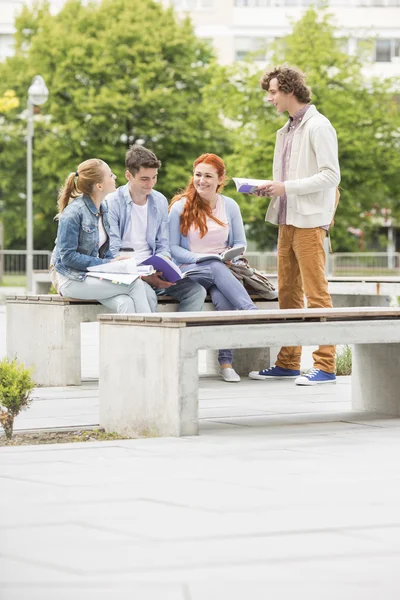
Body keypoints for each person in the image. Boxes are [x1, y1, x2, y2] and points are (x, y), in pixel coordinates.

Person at [249, 66, 340, 386]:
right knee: (287, 293)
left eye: (273, 92)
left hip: (310, 222)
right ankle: (288, 362)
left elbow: (332, 176)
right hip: (286, 219)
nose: (270, 98)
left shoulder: (319, 126)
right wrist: (272, 188)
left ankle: (326, 366)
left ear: (289, 90)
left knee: (317, 294)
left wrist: (287, 188)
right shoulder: (284, 131)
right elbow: (289, 179)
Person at [169, 153, 257, 383]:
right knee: (214, 264)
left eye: (208, 176)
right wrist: (203, 257)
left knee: (224, 300)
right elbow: (172, 249)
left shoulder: (230, 205)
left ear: (220, 179)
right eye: (198, 175)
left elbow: (240, 243)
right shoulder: (180, 208)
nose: (202, 180)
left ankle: (226, 363)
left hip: (222, 271)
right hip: (190, 270)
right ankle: (252, 314)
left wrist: (229, 255)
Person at [106, 145, 206, 313]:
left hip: (154, 271)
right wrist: (144, 275)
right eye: (145, 178)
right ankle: (154, 338)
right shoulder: (112, 202)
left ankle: (180, 336)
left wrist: (162, 267)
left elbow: (163, 244)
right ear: (128, 176)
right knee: (148, 296)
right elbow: (113, 251)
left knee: (196, 291)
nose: (151, 183)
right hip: (129, 274)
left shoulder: (159, 200)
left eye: (154, 177)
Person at [53, 158, 152, 313]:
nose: (115, 178)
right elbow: (67, 257)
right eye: (111, 175)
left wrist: (116, 264)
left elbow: (104, 251)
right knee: (135, 284)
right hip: (72, 280)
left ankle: (133, 337)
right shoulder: (73, 213)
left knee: (125, 303)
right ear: (99, 185)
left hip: (91, 276)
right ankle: (152, 334)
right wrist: (107, 263)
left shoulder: (103, 208)